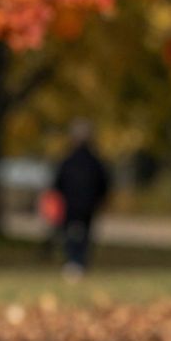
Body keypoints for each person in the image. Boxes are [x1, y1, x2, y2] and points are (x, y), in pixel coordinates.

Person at [53, 120, 111, 280]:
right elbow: (104, 184)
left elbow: (57, 184)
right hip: (87, 206)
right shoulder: (95, 162)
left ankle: (73, 261)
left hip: (71, 206)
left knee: (71, 234)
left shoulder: (68, 160)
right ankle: (79, 262)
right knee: (84, 234)